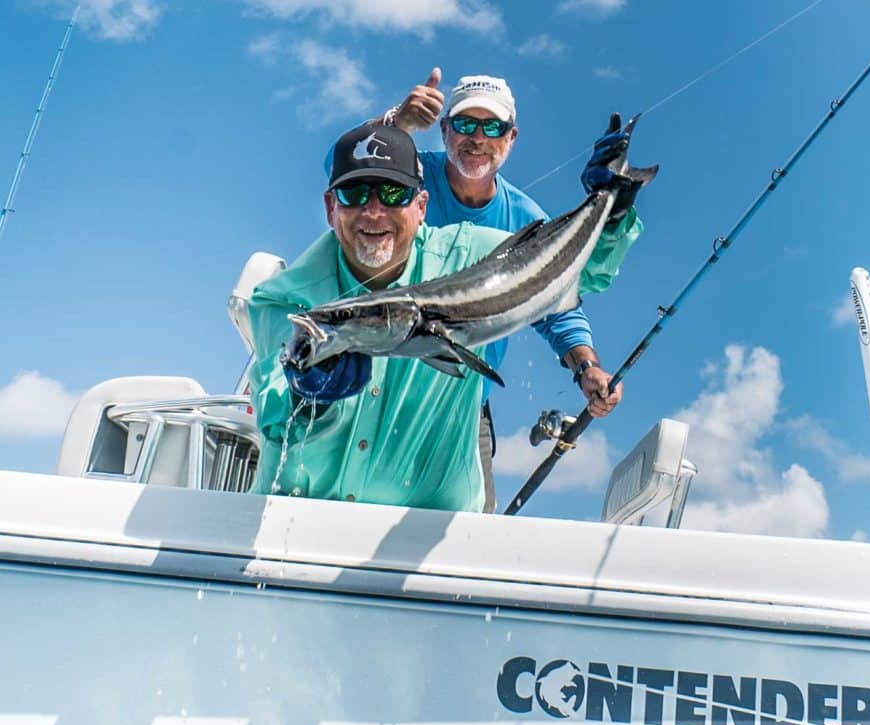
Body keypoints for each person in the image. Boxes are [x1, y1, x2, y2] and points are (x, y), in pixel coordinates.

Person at [248, 122, 645, 512]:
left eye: (392, 193)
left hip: (430, 530)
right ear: (331, 207)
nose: (374, 211)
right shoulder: (284, 298)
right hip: (302, 523)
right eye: (353, 194)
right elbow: (274, 418)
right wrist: (305, 393)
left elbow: (582, 272)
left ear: (421, 206)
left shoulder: (469, 254)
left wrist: (610, 210)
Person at [356, 68, 640, 510]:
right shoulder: (402, 177)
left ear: (512, 137)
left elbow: (556, 306)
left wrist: (587, 367)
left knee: (468, 551)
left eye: (493, 127)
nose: (477, 138)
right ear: (444, 129)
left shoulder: (527, 218)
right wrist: (396, 126)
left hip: (463, 408)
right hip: (371, 390)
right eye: (465, 124)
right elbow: (346, 171)